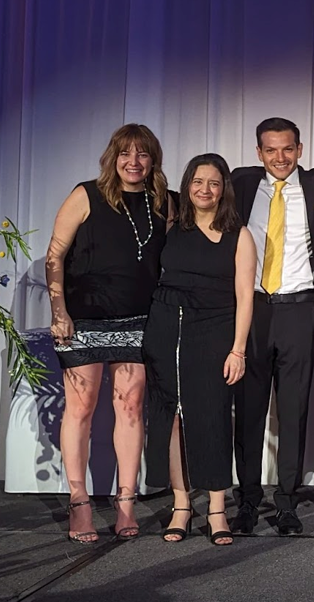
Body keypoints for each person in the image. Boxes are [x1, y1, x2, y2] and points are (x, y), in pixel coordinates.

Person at [45, 124, 173, 543]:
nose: (133, 162)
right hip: (83, 319)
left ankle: (125, 502)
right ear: (112, 157)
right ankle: (79, 501)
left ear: (153, 160)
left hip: (139, 320)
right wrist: (59, 310)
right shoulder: (86, 194)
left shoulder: (164, 203)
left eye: (142, 154)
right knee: (80, 408)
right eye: (126, 153)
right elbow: (54, 255)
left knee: (131, 407)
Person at [142, 154, 255, 545]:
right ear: (186, 184)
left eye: (214, 183)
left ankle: (217, 510)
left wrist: (237, 350)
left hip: (215, 331)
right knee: (172, 418)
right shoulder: (172, 224)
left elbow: (245, 297)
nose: (205, 189)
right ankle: (181, 506)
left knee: (212, 417)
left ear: (224, 189)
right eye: (197, 181)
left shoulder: (239, 234)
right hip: (165, 328)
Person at [231, 118, 314, 536]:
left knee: (293, 413)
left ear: (300, 149)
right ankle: (248, 502)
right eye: (271, 150)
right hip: (251, 311)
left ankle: (288, 503)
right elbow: (193, 196)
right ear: (259, 152)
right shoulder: (239, 184)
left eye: (288, 149)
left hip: (298, 309)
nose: (280, 157)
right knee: (249, 413)